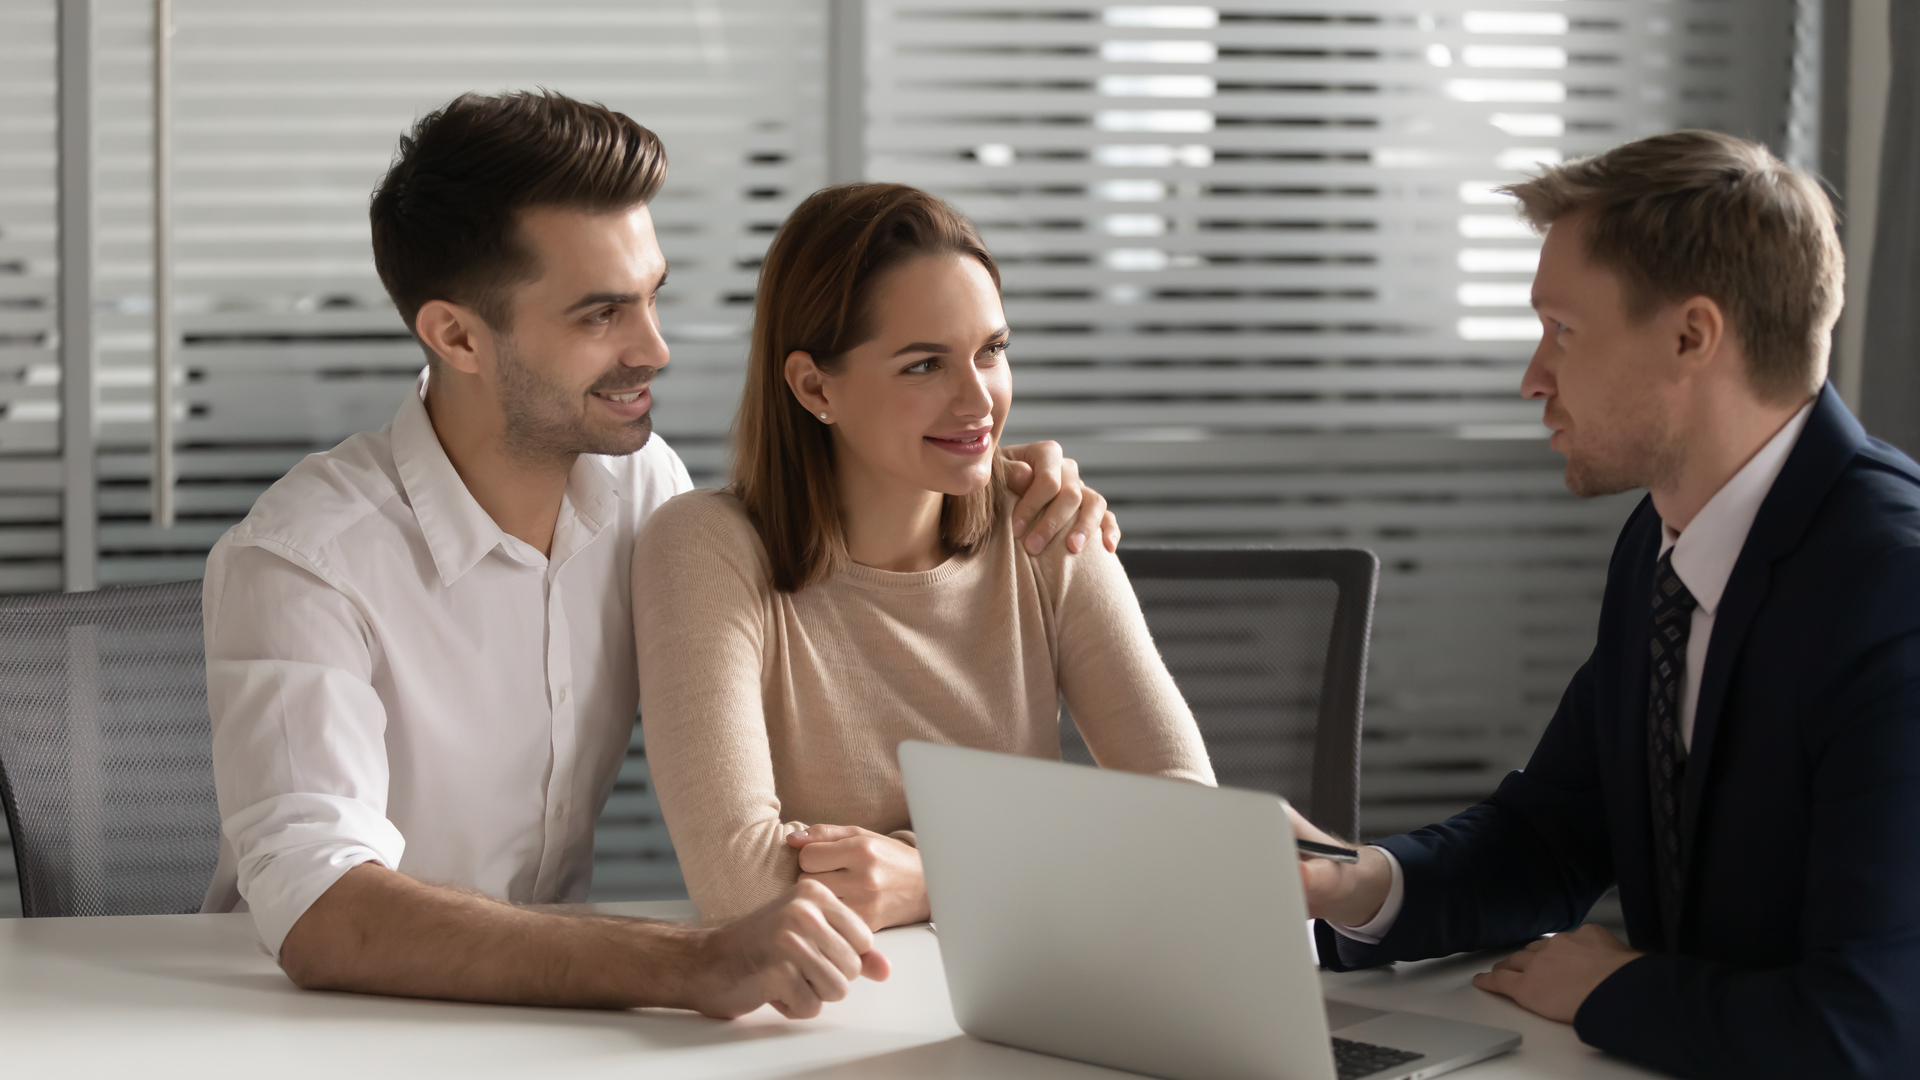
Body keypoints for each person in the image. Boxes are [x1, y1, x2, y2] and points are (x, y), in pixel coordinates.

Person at [199, 91, 1117, 1014]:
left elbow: (833, 558)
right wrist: (689, 963)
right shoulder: (304, 559)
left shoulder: (645, 490)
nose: (656, 347)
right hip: (304, 1019)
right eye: (601, 316)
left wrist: (994, 476)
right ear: (456, 336)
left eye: (653, 297)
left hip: (553, 1012)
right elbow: (324, 911)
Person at [1290, 130, 1920, 1079]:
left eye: (1563, 332)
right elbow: (1555, 831)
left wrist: (1605, 990)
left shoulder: (1893, 593)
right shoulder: (1665, 541)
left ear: (1690, 335)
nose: (1533, 378)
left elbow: (1870, 1031)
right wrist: (1353, 884)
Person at [633, 184, 1217, 928]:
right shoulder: (707, 548)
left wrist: (935, 876)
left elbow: (1190, 818)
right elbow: (740, 880)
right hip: (827, 1006)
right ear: (815, 386)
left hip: (1042, 983)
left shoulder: (1042, 521)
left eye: (992, 352)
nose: (979, 402)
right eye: (923, 366)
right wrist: (1043, 856)